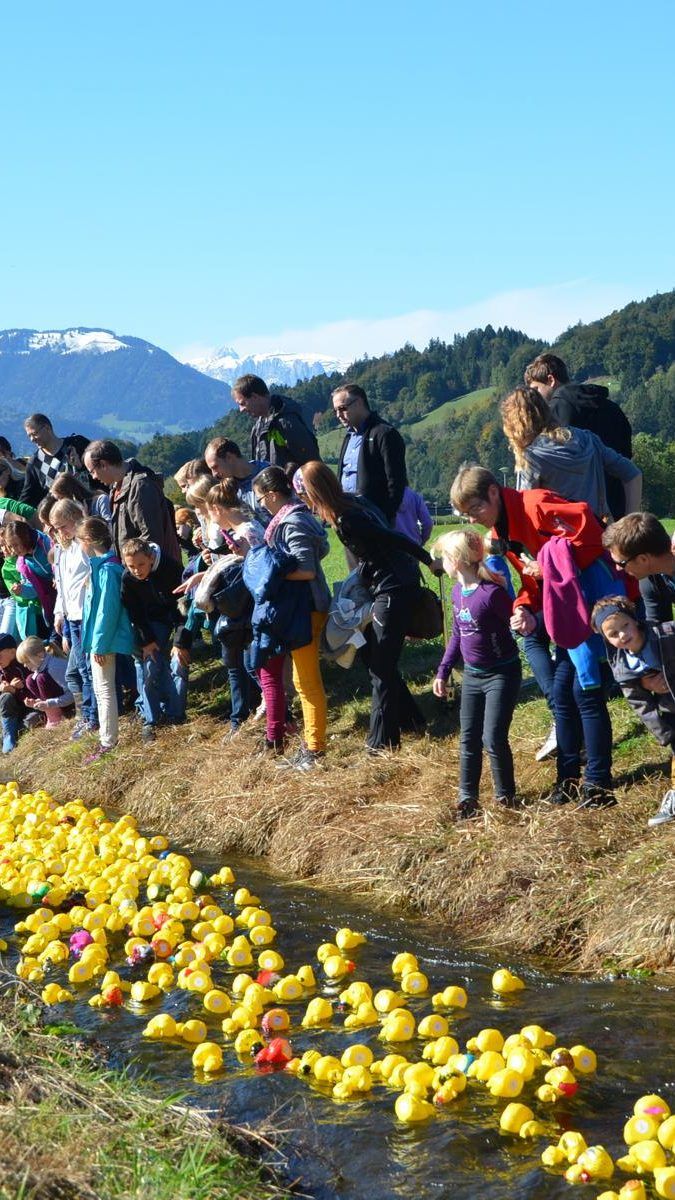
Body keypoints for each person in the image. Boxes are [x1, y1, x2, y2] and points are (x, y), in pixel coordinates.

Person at [450, 463, 623, 807]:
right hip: (565, 608)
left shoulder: (536, 505)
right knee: (561, 692)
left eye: (476, 509)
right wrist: (524, 608)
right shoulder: (503, 534)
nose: (473, 519)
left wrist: (548, 565)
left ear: (494, 493)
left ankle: (598, 784)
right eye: (466, 514)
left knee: (584, 692)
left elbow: (591, 536)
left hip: (592, 600)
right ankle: (568, 779)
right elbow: (532, 581)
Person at [300, 460, 434, 752]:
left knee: (381, 668)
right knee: (373, 656)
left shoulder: (349, 518)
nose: (305, 502)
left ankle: (382, 743)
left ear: (314, 492)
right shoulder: (354, 504)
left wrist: (428, 560)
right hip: (389, 584)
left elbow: (393, 537)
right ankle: (410, 719)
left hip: (393, 588)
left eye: (305, 496)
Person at [433, 529, 521, 818]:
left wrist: (526, 621)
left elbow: (515, 620)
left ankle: (505, 797)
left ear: (456, 560)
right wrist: (443, 671)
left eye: (444, 557)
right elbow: (457, 635)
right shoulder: (458, 592)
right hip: (471, 675)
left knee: (493, 737)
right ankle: (467, 797)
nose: (441, 563)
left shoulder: (491, 594)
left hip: (501, 674)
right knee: (468, 737)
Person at [250, 466, 330, 768]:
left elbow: (306, 568)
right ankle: (311, 745)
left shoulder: (292, 522)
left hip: (306, 607)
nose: (260, 504)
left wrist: (267, 576)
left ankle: (315, 750)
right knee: (302, 680)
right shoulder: (292, 519)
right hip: (302, 607)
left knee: (307, 682)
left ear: (272, 495)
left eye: (260, 498)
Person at [591, 595, 675, 828]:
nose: (622, 635)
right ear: (606, 639)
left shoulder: (664, 635)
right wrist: (663, 733)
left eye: (625, 625)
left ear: (635, 620)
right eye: (613, 633)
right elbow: (639, 703)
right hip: (670, 711)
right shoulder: (623, 667)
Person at [501, 386, 642, 521]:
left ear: (513, 426)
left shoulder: (532, 457)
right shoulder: (587, 439)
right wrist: (629, 523)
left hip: (557, 542)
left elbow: (524, 512)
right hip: (599, 536)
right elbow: (632, 473)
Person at [524, 354, 633, 518]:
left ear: (551, 380)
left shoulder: (553, 414)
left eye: (536, 390)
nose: (535, 397)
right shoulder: (612, 408)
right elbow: (628, 462)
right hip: (617, 504)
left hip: (579, 515)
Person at [120, 537, 190, 742]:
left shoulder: (171, 569)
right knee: (150, 664)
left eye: (141, 564)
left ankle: (176, 714)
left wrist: (179, 642)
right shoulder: (128, 578)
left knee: (179, 663)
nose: (137, 570)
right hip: (151, 622)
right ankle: (151, 719)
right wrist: (147, 640)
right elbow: (135, 613)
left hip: (178, 618)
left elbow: (184, 608)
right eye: (131, 566)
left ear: (151, 558)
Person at [78, 517, 134, 764]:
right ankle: (106, 737)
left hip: (105, 641)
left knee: (104, 690)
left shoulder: (109, 570)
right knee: (102, 690)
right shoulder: (100, 566)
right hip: (99, 639)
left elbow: (107, 610)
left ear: (88, 541)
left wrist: (99, 644)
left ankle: (108, 741)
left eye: (80, 540)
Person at [83, 440, 180, 561]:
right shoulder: (116, 487)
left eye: (92, 471)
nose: (94, 477)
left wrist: (134, 570)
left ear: (103, 464)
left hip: (153, 574)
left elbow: (151, 538)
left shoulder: (141, 486)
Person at [50, 497, 97, 740]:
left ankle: (91, 716)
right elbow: (63, 586)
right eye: (55, 528)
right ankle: (88, 715)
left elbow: (89, 577)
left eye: (61, 526)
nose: (59, 532)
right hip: (72, 616)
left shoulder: (84, 546)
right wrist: (60, 612)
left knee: (87, 669)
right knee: (81, 668)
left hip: (86, 614)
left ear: (74, 519)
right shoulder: (63, 550)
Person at [334, 384, 407, 524]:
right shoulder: (349, 437)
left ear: (359, 403)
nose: (338, 415)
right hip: (348, 516)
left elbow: (396, 481)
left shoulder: (384, 433)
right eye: (335, 411)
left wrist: (386, 515)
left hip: (374, 518)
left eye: (342, 408)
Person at [232, 374, 320, 469]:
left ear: (254, 397)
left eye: (242, 403)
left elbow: (311, 463)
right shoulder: (258, 428)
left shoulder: (287, 423)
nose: (241, 409)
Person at [602, 513, 675, 624]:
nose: (618, 569)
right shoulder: (650, 578)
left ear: (643, 559)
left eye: (621, 563)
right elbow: (658, 625)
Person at [20, 414, 90, 507]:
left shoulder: (77, 444)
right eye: (29, 436)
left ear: (47, 428)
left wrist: (80, 467)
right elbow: (28, 498)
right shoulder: (35, 463)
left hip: (91, 506)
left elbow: (99, 472)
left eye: (34, 434)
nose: (32, 439)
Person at [3, 520, 55, 637]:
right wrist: (22, 590)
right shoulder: (22, 563)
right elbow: (34, 590)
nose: (13, 550)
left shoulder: (45, 542)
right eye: (10, 546)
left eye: (16, 545)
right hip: (52, 603)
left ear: (25, 538)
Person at [203, 437, 271, 524]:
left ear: (229, 457)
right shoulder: (229, 488)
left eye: (215, 467)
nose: (214, 474)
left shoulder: (268, 474)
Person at [16, 635, 75, 729]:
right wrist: (37, 703)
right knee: (30, 680)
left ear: (40, 655)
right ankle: (51, 715)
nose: (24, 665)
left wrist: (48, 703)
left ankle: (57, 718)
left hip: (71, 705)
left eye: (27, 661)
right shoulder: (41, 667)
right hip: (59, 703)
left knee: (41, 678)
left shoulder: (54, 667)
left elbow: (73, 695)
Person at [0, 632, 30, 753]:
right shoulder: (2, 668)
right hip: (10, 711)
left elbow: (35, 695)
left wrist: (14, 690)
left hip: (29, 709)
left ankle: (11, 733)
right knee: (5, 697)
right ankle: (8, 738)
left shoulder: (24, 666)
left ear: (12, 652)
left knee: (32, 722)